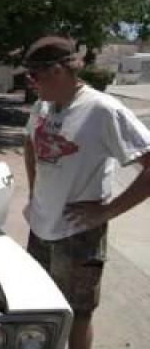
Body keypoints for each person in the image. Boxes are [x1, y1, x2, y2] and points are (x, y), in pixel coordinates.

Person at [22, 36, 150, 349]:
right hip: (40, 228)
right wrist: (34, 189)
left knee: (78, 315)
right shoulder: (44, 105)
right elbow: (28, 142)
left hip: (78, 235)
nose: (30, 84)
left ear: (58, 71)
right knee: (40, 306)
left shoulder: (102, 110)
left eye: (34, 76)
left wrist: (107, 212)